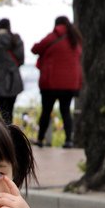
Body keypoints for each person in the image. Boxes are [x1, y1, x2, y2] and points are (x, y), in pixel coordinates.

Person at [31, 16, 83, 148]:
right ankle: (68, 140)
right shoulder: (75, 40)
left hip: (51, 83)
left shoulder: (53, 36)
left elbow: (35, 49)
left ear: (56, 25)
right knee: (65, 111)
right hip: (70, 84)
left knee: (46, 111)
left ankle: (41, 139)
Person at [0, 18, 24, 125]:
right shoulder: (17, 40)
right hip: (14, 79)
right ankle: (10, 131)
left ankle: (5, 132)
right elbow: (21, 61)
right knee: (10, 109)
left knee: (3, 110)